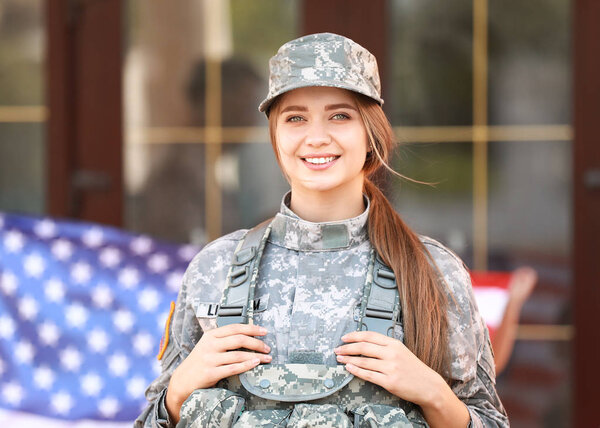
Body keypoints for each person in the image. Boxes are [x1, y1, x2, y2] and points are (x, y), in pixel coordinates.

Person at [135, 33, 509, 427]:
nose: (316, 137)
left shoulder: (433, 271)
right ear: (275, 136)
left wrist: (432, 393)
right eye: (295, 117)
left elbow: (489, 420)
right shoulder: (215, 268)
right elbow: (149, 419)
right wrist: (178, 390)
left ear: (371, 135)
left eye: (340, 116)